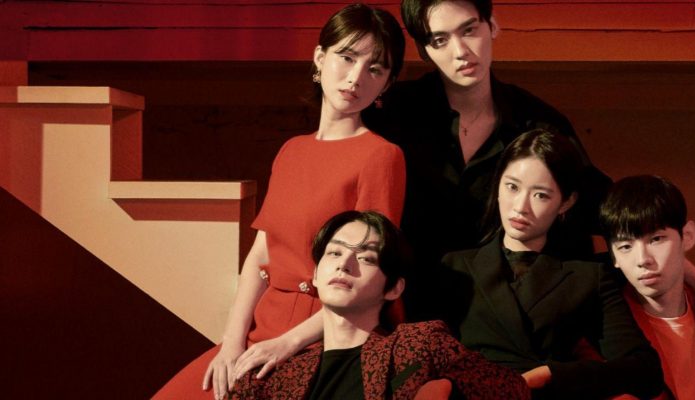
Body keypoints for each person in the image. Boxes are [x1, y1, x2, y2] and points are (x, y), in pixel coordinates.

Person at [362, 1, 695, 356]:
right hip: (407, 316)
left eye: (470, 30)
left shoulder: (538, 124)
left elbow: (611, 212)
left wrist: (694, 278)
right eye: (440, 39)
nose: (460, 51)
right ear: (424, 49)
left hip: (513, 331)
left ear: (492, 26)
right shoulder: (393, 113)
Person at [154, 4, 407, 399]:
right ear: (319, 58)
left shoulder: (381, 156)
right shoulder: (292, 150)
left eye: (375, 69)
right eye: (346, 57)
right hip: (262, 325)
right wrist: (231, 342)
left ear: (387, 84)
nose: (356, 77)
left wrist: (287, 344)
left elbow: (371, 279)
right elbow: (261, 255)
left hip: (326, 331)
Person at [439, 129, 664, 399]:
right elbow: (423, 350)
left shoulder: (587, 277)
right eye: (512, 187)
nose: (521, 206)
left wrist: (555, 374)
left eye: (541, 195)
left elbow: (645, 371)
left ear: (566, 202)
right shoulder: (454, 266)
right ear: (497, 185)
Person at [229, 211, 531, 400]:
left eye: (366, 258)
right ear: (316, 275)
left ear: (393, 288)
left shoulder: (419, 345)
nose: (345, 264)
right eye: (334, 253)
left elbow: (512, 390)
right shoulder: (272, 377)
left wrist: (442, 389)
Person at [599, 175, 695, 400]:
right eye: (625, 246)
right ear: (613, 256)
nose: (642, 259)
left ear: (688, 236)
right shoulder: (605, 329)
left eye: (656, 239)